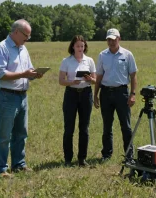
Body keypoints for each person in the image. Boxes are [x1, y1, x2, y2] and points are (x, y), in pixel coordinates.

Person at [0, 19, 44, 178]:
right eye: (26, 35)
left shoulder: (23, 49)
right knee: (4, 135)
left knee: (21, 132)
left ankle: (19, 164)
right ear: (16, 32)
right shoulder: (1, 48)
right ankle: (1, 168)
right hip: (7, 96)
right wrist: (24, 74)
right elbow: (1, 74)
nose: (27, 39)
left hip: (22, 96)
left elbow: (28, 70)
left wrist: (34, 74)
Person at [94, 28, 137, 162]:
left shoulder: (127, 55)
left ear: (119, 39)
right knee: (107, 126)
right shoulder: (102, 55)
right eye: (109, 40)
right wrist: (96, 95)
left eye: (113, 39)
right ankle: (106, 154)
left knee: (126, 126)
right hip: (106, 93)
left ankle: (129, 155)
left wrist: (133, 94)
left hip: (121, 93)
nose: (111, 42)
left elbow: (133, 75)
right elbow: (99, 76)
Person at [59, 35, 96, 167]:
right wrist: (71, 82)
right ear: (73, 47)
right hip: (71, 94)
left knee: (84, 128)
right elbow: (61, 80)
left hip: (86, 94)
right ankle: (68, 159)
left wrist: (90, 79)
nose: (80, 48)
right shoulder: (66, 61)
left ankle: (82, 159)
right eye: (78, 46)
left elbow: (95, 80)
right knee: (69, 128)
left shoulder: (90, 61)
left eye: (82, 46)